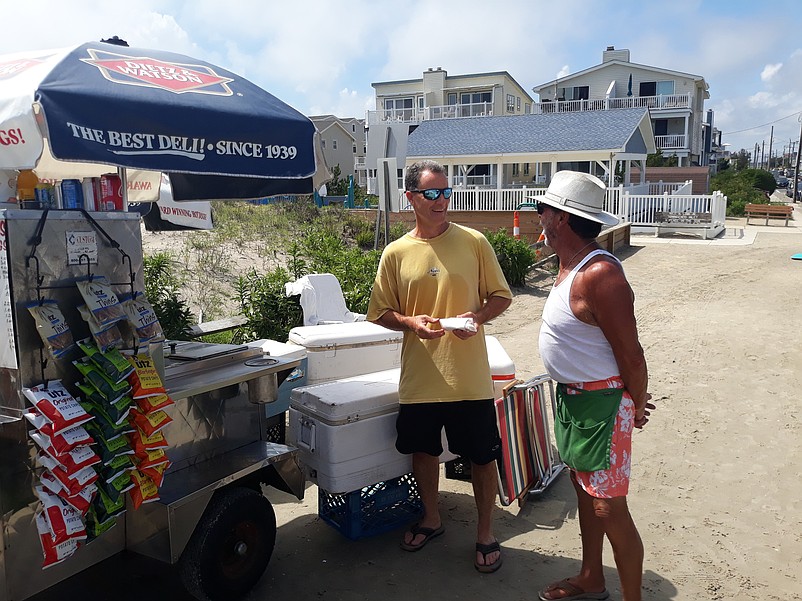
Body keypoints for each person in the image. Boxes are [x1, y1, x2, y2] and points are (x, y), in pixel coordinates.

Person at [366, 159, 512, 573]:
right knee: (423, 452)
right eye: (431, 193)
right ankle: (432, 518)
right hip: (420, 379)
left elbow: (501, 296)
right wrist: (411, 322)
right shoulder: (395, 253)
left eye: (446, 191)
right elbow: (379, 313)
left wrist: (477, 320)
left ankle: (485, 532)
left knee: (483, 458)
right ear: (410, 197)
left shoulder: (474, 242)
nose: (442, 200)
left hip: (469, 380)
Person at [534, 171, 654, 601]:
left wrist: (635, 404)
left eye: (541, 210)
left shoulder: (600, 274)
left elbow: (631, 353)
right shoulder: (571, 265)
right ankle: (591, 578)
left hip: (602, 405)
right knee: (584, 492)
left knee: (608, 506)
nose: (538, 218)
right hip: (575, 400)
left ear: (561, 218)